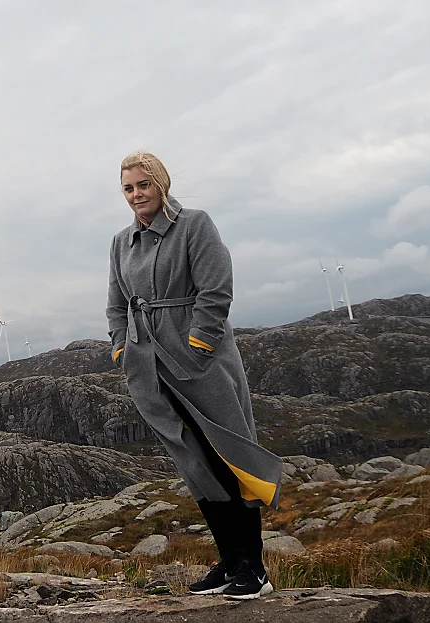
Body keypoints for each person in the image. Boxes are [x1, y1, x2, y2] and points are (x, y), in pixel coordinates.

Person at [105, 151, 283, 600]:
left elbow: (216, 286)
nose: (135, 195)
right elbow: (116, 302)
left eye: (143, 185)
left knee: (228, 453)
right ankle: (228, 563)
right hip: (150, 364)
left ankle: (253, 568)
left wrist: (199, 341)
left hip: (200, 361)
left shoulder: (195, 224)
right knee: (194, 461)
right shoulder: (120, 243)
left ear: (161, 184)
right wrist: (122, 345)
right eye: (128, 188)